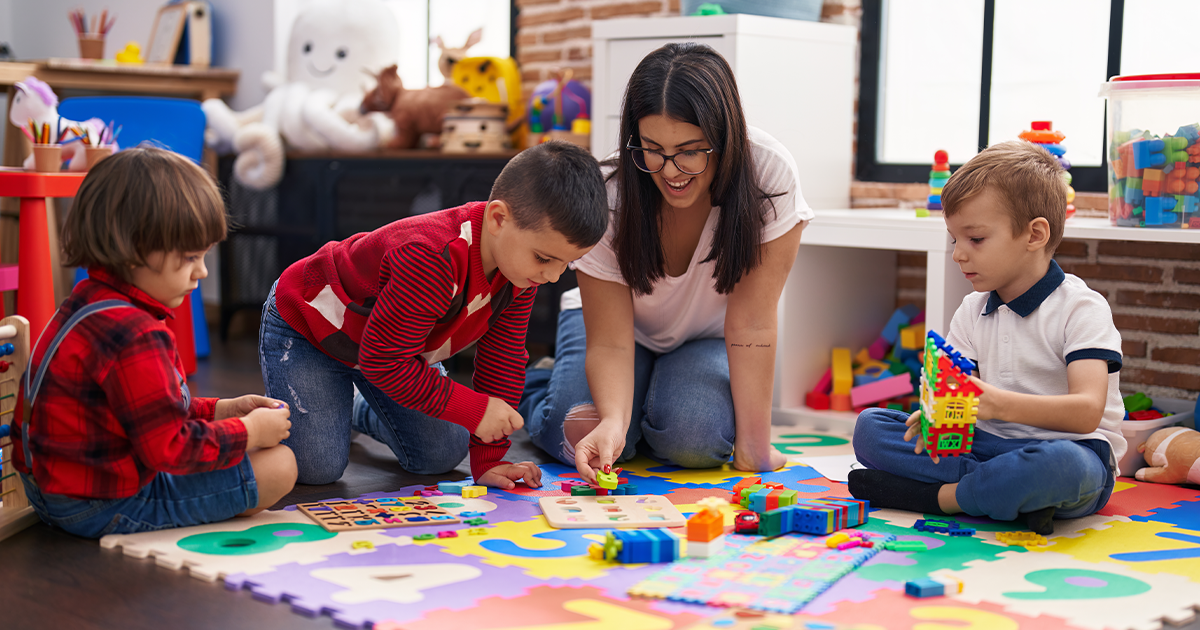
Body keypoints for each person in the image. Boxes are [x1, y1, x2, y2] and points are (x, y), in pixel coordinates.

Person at [520, 42, 811, 483]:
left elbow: (752, 323)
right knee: (585, 436)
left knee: (694, 441)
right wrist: (614, 424)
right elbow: (612, 343)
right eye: (653, 148)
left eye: (691, 150)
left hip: (707, 338)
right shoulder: (612, 191)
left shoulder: (769, 174)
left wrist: (754, 449)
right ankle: (542, 385)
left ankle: (642, 398)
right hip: (615, 334)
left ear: (725, 137)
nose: (671, 171)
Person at [260, 141, 608, 489]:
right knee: (318, 469)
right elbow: (384, 361)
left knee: (441, 453)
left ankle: (355, 408)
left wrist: (489, 460)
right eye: (545, 259)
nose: (552, 276)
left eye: (566, 263)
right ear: (498, 219)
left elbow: (503, 360)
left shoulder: (521, 270)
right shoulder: (431, 259)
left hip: (392, 348)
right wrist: (474, 409)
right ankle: (275, 414)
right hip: (310, 331)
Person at [11, 147, 297, 538]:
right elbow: (169, 448)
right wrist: (249, 432)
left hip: (48, 490)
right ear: (134, 250)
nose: (202, 271)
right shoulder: (136, 333)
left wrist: (224, 410)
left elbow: (146, 412)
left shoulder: (86, 299)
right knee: (279, 465)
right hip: (98, 505)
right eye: (191, 257)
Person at [848, 141, 1125, 535]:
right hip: (984, 446)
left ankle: (937, 498)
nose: (959, 254)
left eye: (975, 239)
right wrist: (935, 422)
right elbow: (957, 400)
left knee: (1060, 468)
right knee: (871, 427)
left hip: (1071, 451)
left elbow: (1086, 412)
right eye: (954, 239)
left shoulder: (1082, 308)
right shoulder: (972, 309)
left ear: (1035, 235)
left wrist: (997, 405)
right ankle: (1000, 493)